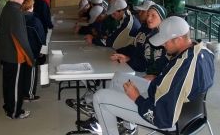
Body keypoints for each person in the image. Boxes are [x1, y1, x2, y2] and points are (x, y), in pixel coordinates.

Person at [79, 16, 215, 135]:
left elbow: (161, 116)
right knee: (119, 77)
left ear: (178, 39)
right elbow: (181, 84)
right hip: (186, 109)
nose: (162, 45)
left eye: (165, 41)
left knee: (100, 97)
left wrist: (137, 98)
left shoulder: (181, 70)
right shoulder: (203, 51)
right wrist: (160, 79)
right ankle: (129, 128)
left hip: (168, 118)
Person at [0, 0, 34, 119]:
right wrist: (30, 57)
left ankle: (8, 106)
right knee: (15, 86)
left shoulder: (8, 8)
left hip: (7, 54)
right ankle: (14, 112)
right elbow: (21, 38)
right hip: (15, 55)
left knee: (8, 83)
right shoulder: (16, 12)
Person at [111, 4, 169, 81]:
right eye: (148, 15)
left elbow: (147, 65)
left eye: (153, 16)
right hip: (137, 68)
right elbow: (134, 48)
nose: (148, 18)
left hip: (150, 76)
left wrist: (129, 60)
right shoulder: (145, 30)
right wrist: (117, 52)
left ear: (162, 19)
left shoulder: (165, 40)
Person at [21, 0, 46, 101]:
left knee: (22, 72)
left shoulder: (18, 19)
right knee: (31, 73)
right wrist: (42, 51)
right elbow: (41, 38)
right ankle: (29, 94)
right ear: (31, 7)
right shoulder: (34, 21)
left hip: (20, 50)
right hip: (32, 51)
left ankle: (21, 92)